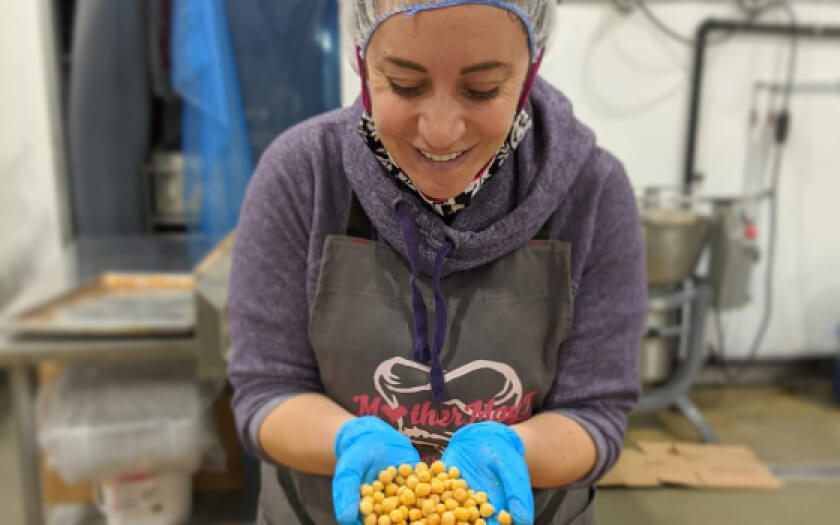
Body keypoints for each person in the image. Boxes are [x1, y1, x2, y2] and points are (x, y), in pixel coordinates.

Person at [227, 1, 646, 524]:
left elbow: (595, 413)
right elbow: (267, 390)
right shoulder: (305, 176)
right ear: (362, 61)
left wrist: (515, 452)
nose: (441, 131)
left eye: (483, 89)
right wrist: (345, 441)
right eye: (404, 85)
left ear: (530, 67)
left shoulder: (592, 194)